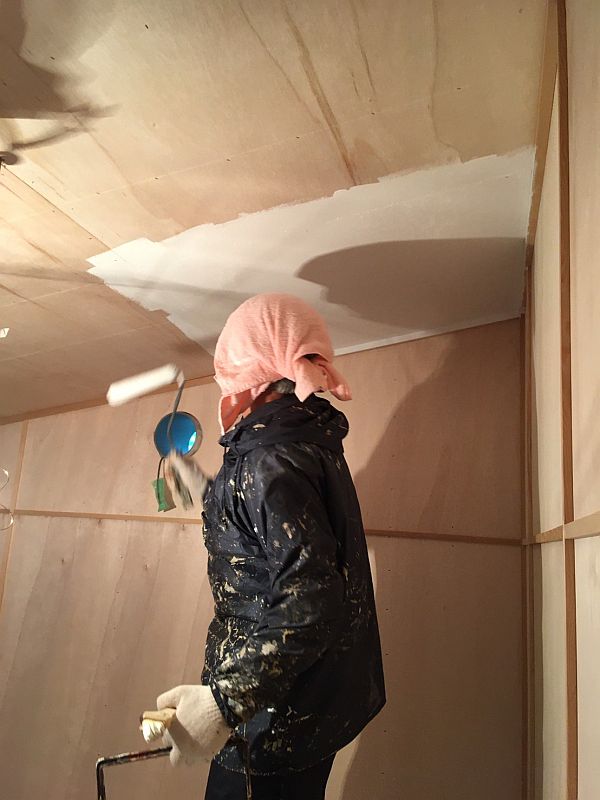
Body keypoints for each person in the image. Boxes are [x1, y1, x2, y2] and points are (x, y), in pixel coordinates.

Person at [156, 293, 385, 800]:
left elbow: (310, 599)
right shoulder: (301, 441)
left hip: (273, 718)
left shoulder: (270, 461)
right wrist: (209, 491)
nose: (225, 386)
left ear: (253, 375)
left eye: (228, 371)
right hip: (308, 700)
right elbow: (273, 538)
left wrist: (224, 702)